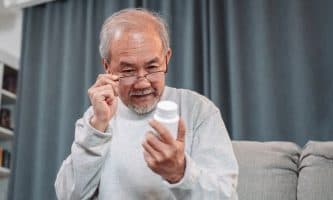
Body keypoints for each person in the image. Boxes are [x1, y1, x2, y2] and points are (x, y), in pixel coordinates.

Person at [55, 8, 238, 200]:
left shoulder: (199, 111)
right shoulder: (98, 115)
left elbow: (226, 196)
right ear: (107, 67)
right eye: (127, 71)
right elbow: (68, 196)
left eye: (152, 67)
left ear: (166, 59)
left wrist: (180, 173)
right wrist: (97, 129)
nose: (142, 82)